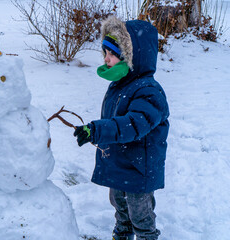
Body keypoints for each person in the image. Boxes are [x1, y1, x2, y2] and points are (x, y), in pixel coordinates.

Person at [73, 15, 170, 240]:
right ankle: (122, 235)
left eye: (112, 54)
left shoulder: (149, 90)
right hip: (120, 163)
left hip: (139, 166)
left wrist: (97, 130)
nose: (106, 59)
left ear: (130, 56)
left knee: (140, 214)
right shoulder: (120, 84)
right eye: (104, 53)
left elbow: (133, 125)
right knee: (119, 206)